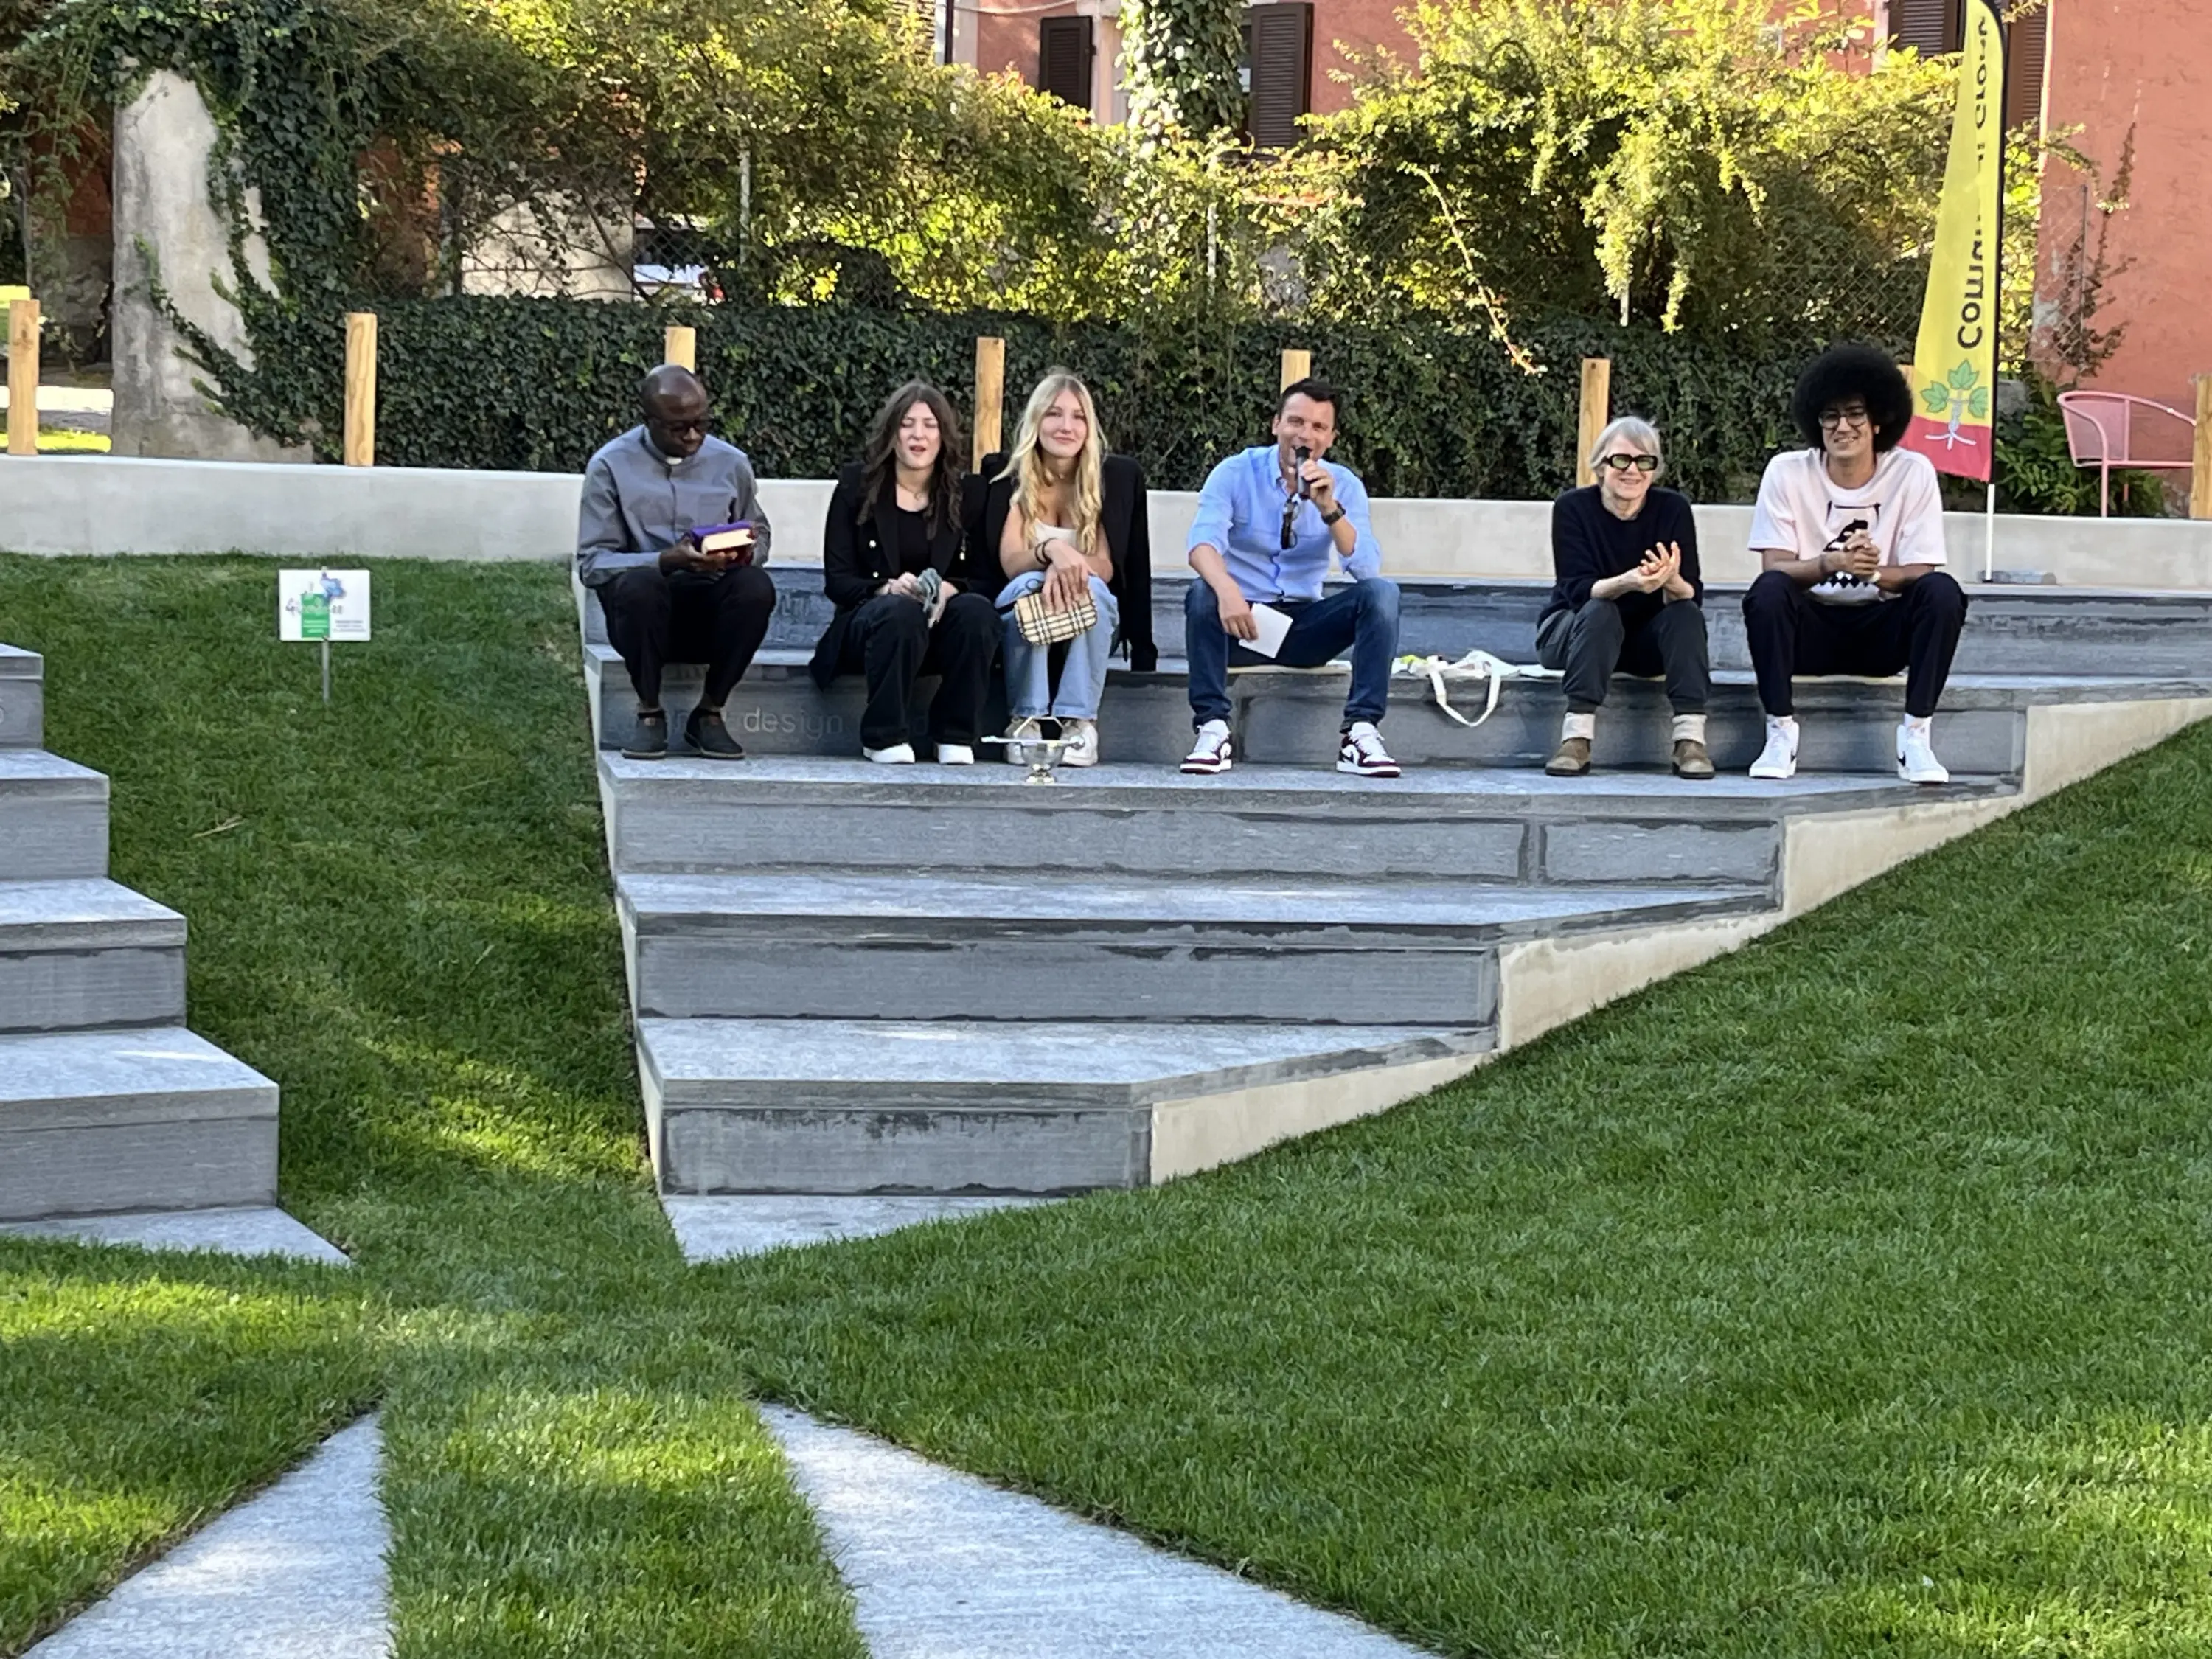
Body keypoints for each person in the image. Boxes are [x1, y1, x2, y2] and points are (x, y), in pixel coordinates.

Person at [1742, 343, 1968, 784]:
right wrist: (1831, 563)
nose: (1842, 426)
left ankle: (1916, 737)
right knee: (1767, 592)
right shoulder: (1786, 471)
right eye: (1830, 415)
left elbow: (1923, 571)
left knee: (1943, 593)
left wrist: (1875, 573)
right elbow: (1774, 566)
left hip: (1880, 632)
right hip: (1809, 634)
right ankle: (1780, 733)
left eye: (1855, 413)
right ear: (1816, 422)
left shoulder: (1913, 471)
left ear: (1878, 419)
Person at [1181, 378, 1402, 777]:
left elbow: (1366, 570)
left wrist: (1330, 509)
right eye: (1296, 422)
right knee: (1202, 593)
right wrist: (1228, 591)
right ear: (1276, 425)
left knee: (1382, 594)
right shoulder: (1234, 472)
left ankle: (1360, 732)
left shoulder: (1344, 484)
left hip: (1303, 626)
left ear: (1330, 438)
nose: (1305, 435)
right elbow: (1201, 544)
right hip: (1241, 623)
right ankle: (1212, 728)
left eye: (1318, 427)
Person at [578, 364, 776, 761]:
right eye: (678, 427)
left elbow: (760, 531)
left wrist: (743, 551)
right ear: (648, 421)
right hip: (643, 615)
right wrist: (664, 561)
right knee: (641, 584)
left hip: (709, 607)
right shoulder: (610, 466)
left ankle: (709, 713)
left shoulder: (731, 463)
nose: (693, 436)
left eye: (701, 423)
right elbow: (592, 564)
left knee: (756, 587)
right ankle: (649, 713)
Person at [808, 381, 998, 763]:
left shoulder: (970, 494)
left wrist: (946, 590)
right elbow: (839, 582)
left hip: (941, 628)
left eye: (930, 425)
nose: (918, 435)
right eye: (907, 424)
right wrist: (887, 590)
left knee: (977, 611)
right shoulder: (855, 486)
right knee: (900, 611)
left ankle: (955, 735)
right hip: (872, 628)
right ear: (891, 432)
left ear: (944, 435)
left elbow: (987, 577)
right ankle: (883, 735)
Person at [975, 371, 1155, 769]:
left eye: (1078, 417)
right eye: (1054, 414)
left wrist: (1070, 567)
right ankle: (1025, 721)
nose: (1066, 426)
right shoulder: (1010, 476)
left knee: (1094, 589)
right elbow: (1010, 562)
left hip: (1087, 615)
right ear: (1036, 420)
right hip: (1022, 609)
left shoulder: (1108, 479)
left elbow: (1106, 567)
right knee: (1030, 584)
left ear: (1089, 427)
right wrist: (1052, 552)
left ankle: (1079, 723)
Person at [1537, 417, 1713, 779]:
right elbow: (1577, 590)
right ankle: (1577, 737)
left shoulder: (1673, 509)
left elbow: (1692, 594)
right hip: (1575, 634)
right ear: (1601, 465)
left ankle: (1690, 740)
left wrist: (1671, 579)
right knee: (1601, 609)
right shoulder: (1573, 508)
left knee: (1685, 615)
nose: (1632, 470)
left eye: (1644, 461)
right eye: (1621, 460)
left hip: (1644, 643)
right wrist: (1630, 581)